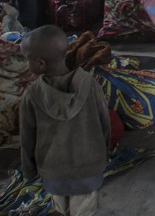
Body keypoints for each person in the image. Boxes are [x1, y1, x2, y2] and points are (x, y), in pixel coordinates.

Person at [19, 25, 110, 216]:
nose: (25, 63)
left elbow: (27, 138)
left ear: (40, 64)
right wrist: (103, 155)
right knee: (84, 211)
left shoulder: (32, 94)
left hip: (54, 172)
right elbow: (104, 123)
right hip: (89, 169)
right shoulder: (90, 84)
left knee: (61, 209)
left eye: (26, 58)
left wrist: (28, 170)